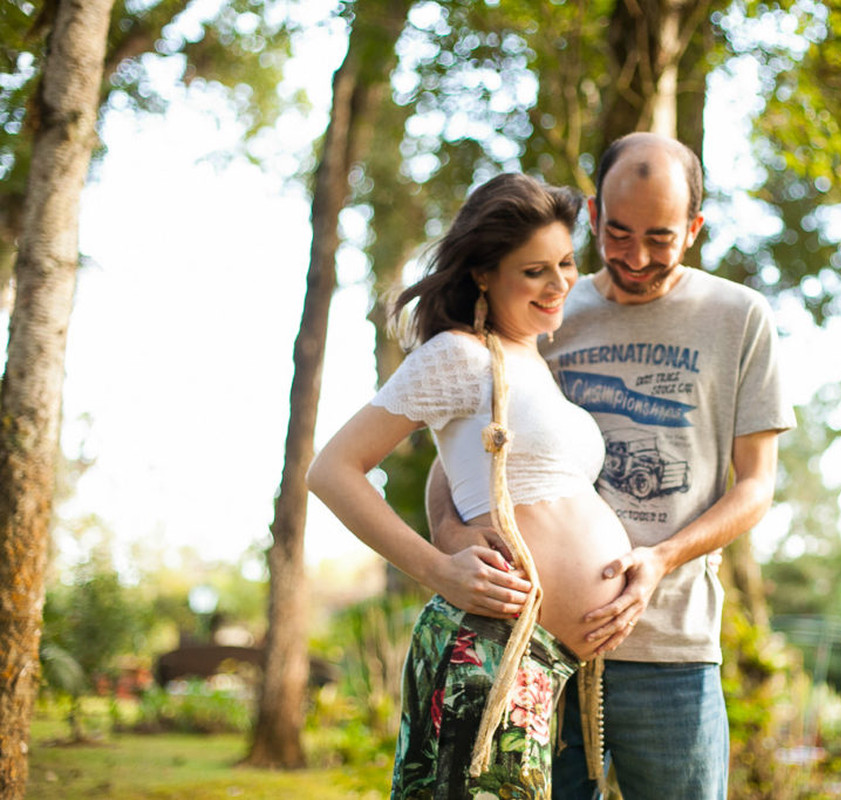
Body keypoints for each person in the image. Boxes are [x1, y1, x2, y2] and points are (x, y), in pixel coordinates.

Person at [428, 132, 796, 799]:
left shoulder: (739, 318)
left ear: (695, 227)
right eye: (618, 234)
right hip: (536, 648)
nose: (635, 258)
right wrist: (452, 542)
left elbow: (756, 486)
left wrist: (661, 557)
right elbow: (467, 449)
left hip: (670, 648)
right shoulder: (547, 305)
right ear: (593, 216)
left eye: (661, 238)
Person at [306, 172, 633, 799]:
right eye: (534, 270)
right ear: (483, 273)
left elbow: (454, 462)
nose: (560, 282)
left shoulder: (529, 360)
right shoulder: (458, 355)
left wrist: (451, 524)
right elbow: (332, 471)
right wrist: (440, 566)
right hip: (484, 654)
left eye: (566, 262)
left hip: (544, 665)